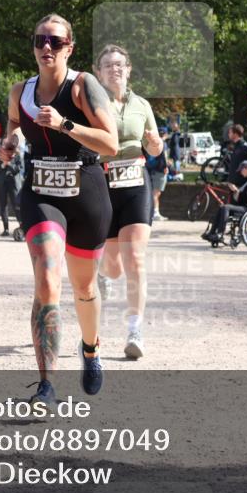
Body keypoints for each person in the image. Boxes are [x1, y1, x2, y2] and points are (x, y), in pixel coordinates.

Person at [0, 13, 118, 404]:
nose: (46, 47)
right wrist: (10, 143)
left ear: (69, 47)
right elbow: (15, 123)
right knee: (48, 278)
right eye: (39, 40)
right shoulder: (20, 90)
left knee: (84, 286)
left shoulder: (84, 86)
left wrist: (65, 125)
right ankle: (47, 384)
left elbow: (111, 144)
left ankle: (91, 349)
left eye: (54, 41)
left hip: (86, 193)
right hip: (41, 193)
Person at [93, 44, 165, 360]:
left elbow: (156, 148)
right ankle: (104, 275)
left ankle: (135, 329)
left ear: (129, 69)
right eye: (108, 65)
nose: (115, 69)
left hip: (136, 181)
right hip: (104, 183)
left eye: (120, 64)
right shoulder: (92, 104)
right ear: (98, 72)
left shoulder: (142, 105)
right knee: (114, 264)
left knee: (135, 257)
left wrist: (155, 144)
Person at [201, 161, 247, 242]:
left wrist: (237, 191)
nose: (241, 172)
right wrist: (233, 190)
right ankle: (212, 232)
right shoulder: (245, 180)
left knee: (226, 207)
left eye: (242, 170)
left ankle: (220, 234)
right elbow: (237, 197)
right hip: (240, 206)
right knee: (222, 207)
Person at [0, 142, 24, 237]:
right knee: (3, 206)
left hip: (14, 183)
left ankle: (22, 227)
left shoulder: (17, 155)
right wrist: (3, 164)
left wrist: (9, 163)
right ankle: (5, 229)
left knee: (17, 206)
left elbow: (18, 169)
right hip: (1, 183)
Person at [146, 145, 168, 221]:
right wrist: (165, 166)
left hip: (154, 171)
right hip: (159, 172)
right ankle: (155, 213)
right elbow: (163, 158)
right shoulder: (159, 145)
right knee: (155, 194)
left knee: (156, 194)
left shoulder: (149, 146)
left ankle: (154, 212)